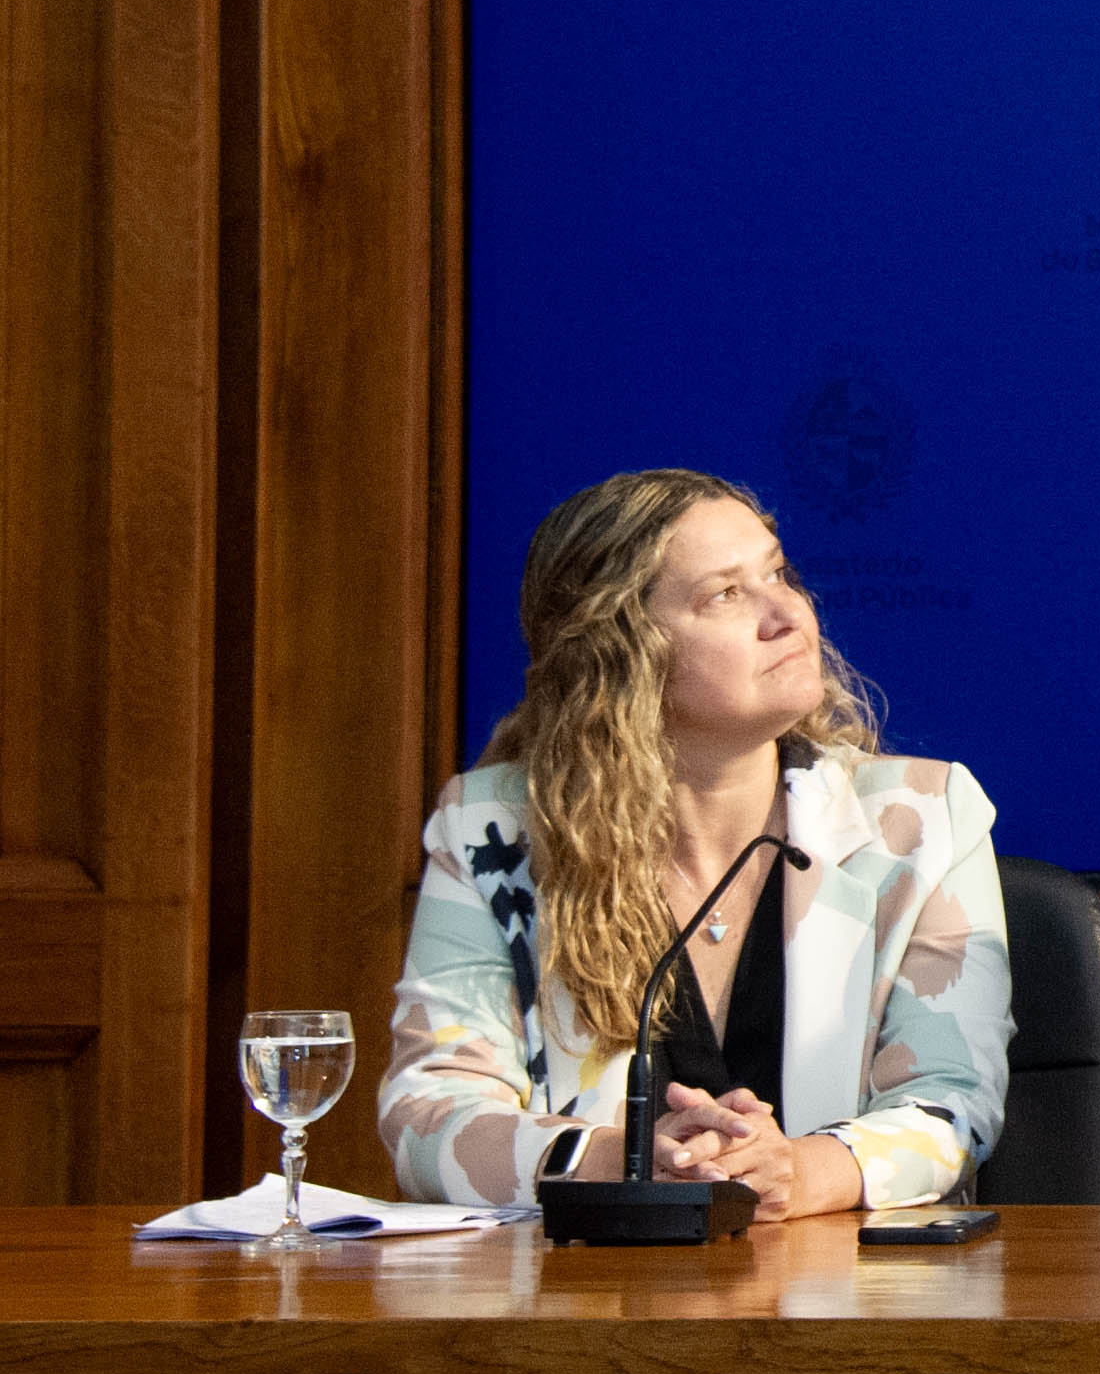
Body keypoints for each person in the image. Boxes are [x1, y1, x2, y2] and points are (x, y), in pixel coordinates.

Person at [380, 469, 1011, 1214]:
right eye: (726, 594)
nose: (788, 614)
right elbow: (429, 1110)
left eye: (779, 573)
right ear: (622, 653)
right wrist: (618, 1160)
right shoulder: (491, 831)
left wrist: (795, 1172)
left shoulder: (922, 818)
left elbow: (950, 1101)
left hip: (844, 1303)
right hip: (585, 1306)